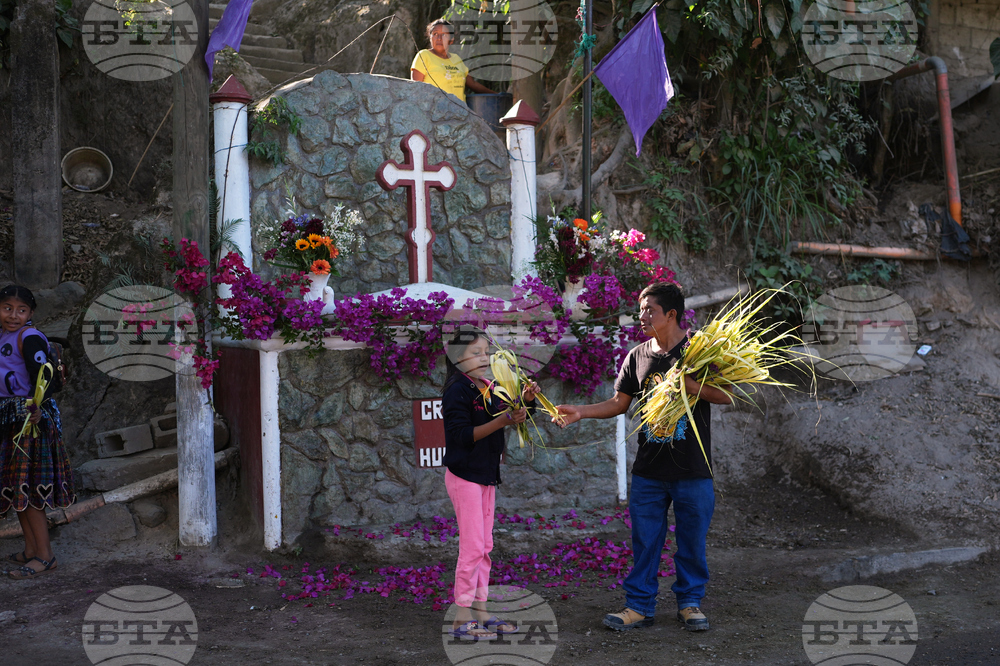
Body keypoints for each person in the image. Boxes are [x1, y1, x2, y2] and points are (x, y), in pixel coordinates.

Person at [553, 283, 732, 632]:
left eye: (649, 310)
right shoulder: (637, 356)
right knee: (645, 542)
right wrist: (581, 411)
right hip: (649, 471)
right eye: (640, 310)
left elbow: (727, 395)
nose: (642, 316)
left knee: (692, 542)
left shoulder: (700, 351)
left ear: (671, 314)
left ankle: (690, 604)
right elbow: (619, 404)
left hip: (693, 470)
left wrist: (690, 384)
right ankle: (638, 607)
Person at [442, 327, 538, 641]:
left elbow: (515, 414)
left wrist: (525, 401)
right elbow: (462, 435)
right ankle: (461, 618)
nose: (484, 358)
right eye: (475, 353)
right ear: (457, 359)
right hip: (465, 477)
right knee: (471, 549)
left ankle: (481, 612)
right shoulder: (458, 389)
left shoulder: (490, 386)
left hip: (485, 476)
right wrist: (501, 421)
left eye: (486, 352)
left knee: (485, 547)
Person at [0, 285, 75, 579]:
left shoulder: (29, 337)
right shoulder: (4, 336)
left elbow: (45, 374)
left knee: (28, 489)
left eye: (21, 310)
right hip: (10, 420)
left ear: (30, 314)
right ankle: (31, 549)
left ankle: (45, 556)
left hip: (30, 422)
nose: (13, 315)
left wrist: (36, 406)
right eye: (7, 308)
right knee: (15, 486)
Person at [411, 19, 495, 103]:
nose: (439, 38)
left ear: (451, 40)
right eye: (435, 34)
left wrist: (497, 94)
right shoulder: (423, 56)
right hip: (433, 112)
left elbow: (473, 84)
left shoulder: (456, 59)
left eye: (444, 34)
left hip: (459, 113)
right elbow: (416, 89)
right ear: (430, 38)